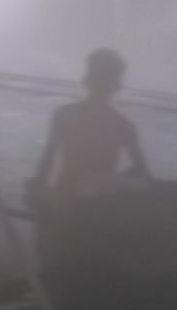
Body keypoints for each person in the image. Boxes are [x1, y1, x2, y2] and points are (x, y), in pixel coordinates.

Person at [28, 49, 150, 210]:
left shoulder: (65, 114)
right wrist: (115, 179)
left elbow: (46, 163)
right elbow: (142, 173)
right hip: (98, 205)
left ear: (87, 80)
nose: (103, 83)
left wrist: (39, 189)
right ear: (117, 85)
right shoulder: (123, 125)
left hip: (65, 198)